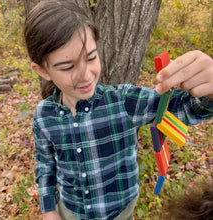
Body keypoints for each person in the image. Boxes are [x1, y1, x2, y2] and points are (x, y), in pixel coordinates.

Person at [23, 0, 213, 219]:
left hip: (121, 212)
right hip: (71, 213)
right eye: (67, 67)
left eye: (91, 57)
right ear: (42, 70)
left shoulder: (123, 102)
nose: (86, 75)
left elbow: (184, 109)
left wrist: (209, 92)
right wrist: (48, 209)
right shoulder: (44, 116)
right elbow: (45, 165)